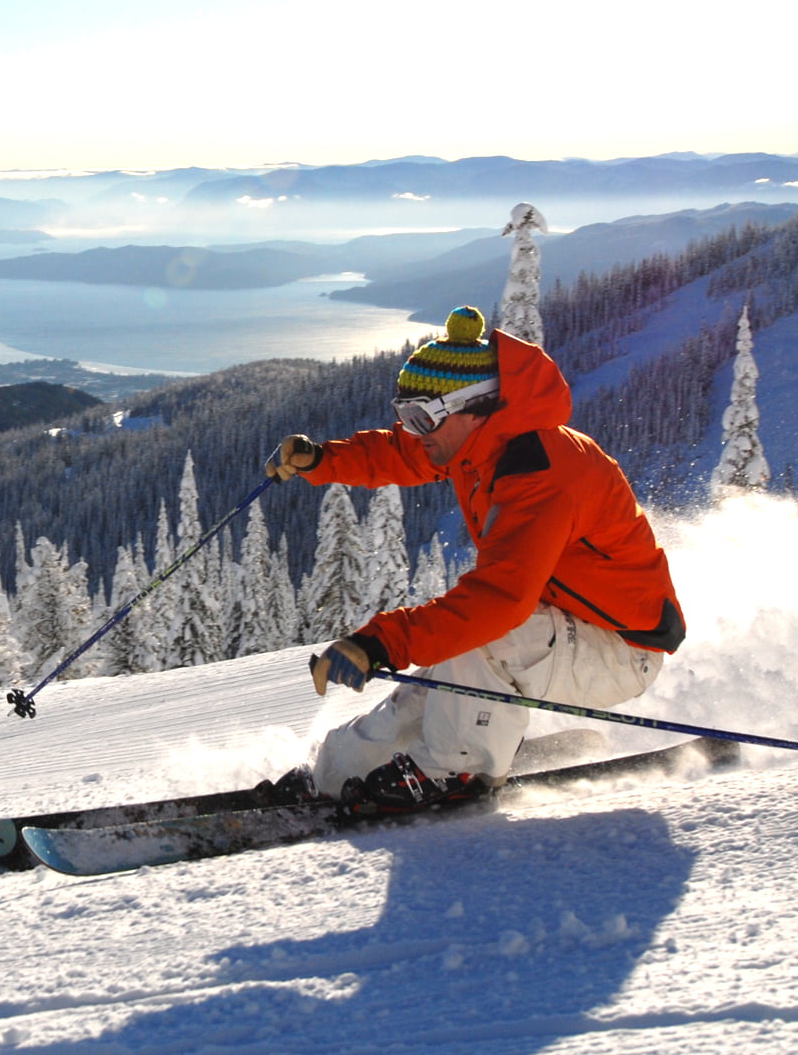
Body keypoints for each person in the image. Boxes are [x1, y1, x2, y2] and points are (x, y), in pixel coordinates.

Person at [266, 305, 684, 812]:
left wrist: (383, 640)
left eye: (422, 417)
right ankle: (334, 774)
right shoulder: (473, 442)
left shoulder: (544, 473)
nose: (415, 431)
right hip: (559, 622)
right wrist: (324, 460)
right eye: (406, 415)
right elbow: (401, 454)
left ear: (473, 406)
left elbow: (498, 603)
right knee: (438, 682)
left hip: (620, 648)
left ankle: (456, 768)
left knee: (479, 640)